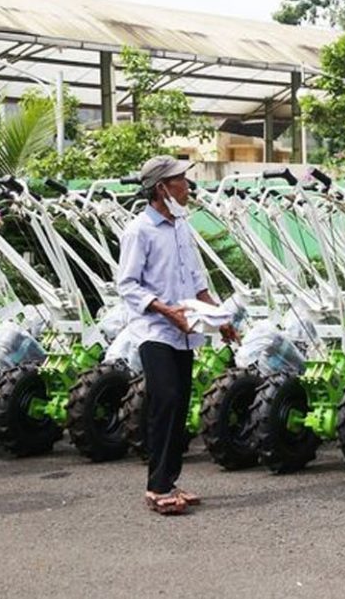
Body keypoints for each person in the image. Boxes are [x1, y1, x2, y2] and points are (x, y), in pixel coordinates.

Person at [117, 155, 238, 515]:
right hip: (155, 330)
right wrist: (167, 311)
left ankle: (168, 481)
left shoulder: (182, 227)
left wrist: (221, 318)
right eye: (181, 181)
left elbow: (197, 284)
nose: (187, 187)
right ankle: (157, 487)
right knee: (165, 400)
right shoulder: (139, 230)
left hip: (186, 332)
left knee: (179, 403)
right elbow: (127, 284)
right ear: (162, 189)